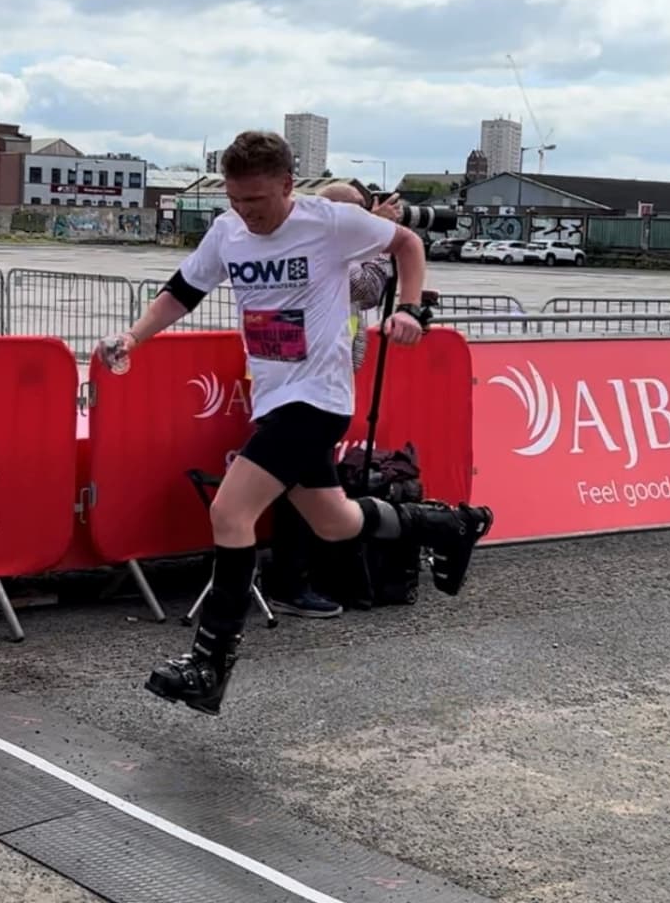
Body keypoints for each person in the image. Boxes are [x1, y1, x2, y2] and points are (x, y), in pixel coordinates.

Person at [94, 132, 492, 717]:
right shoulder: (228, 231)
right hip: (274, 396)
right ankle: (449, 525)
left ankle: (210, 663)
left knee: (230, 512)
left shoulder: (329, 223)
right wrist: (133, 335)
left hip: (320, 397)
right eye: (235, 200)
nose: (246, 213)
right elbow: (183, 291)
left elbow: (406, 242)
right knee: (335, 523)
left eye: (256, 200)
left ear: (286, 186)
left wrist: (408, 308)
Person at [263, 180, 399, 619]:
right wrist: (379, 235)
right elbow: (368, 289)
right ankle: (289, 582)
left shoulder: (320, 243)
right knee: (300, 487)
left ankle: (295, 578)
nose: (358, 220)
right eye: (354, 213)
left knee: (304, 487)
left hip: (313, 384)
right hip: (304, 388)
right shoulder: (322, 246)